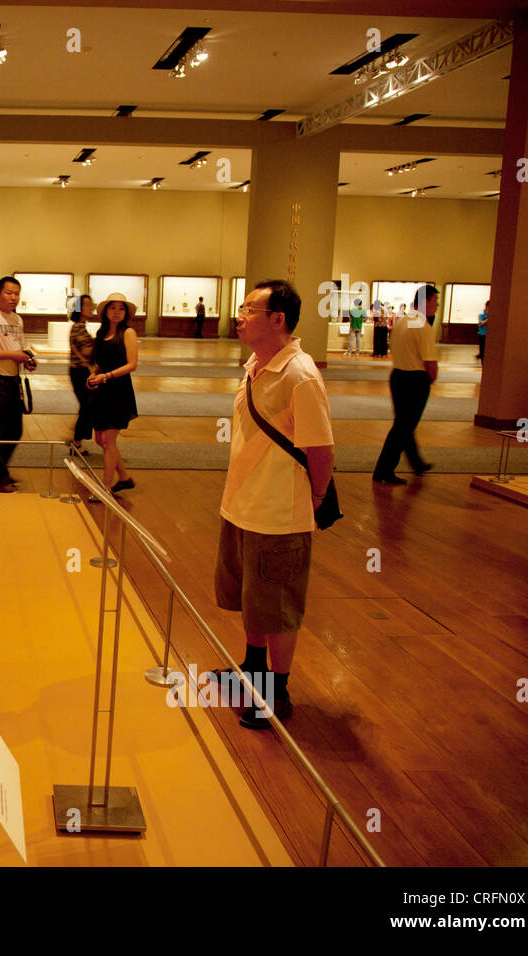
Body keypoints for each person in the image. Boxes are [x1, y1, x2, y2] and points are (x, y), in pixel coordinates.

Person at [208, 279, 335, 729]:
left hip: (280, 515)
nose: (239, 317)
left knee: (277, 605)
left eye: (249, 310)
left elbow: (321, 451)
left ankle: (276, 694)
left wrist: (315, 499)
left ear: (277, 319)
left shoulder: (300, 375)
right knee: (252, 598)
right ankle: (253, 671)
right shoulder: (255, 366)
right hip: (243, 505)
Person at [373, 284, 439, 484]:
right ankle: (383, 470)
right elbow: (430, 362)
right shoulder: (423, 327)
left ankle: (416, 463)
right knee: (403, 427)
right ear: (425, 301)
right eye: (435, 301)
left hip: (398, 376)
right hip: (415, 380)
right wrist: (430, 379)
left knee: (404, 424)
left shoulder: (402, 321)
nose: (437, 305)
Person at [0, 276, 36, 493]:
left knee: (15, 429)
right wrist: (14, 355)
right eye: (9, 293)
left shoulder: (17, 320)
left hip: (13, 381)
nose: (13, 297)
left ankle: (0, 470)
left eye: (16, 293)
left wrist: (26, 360)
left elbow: (19, 348)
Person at [86, 292, 139, 494]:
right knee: (100, 440)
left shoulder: (128, 333)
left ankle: (105, 488)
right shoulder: (101, 333)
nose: (116, 312)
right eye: (112, 307)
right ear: (105, 310)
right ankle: (124, 477)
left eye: (121, 308)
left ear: (126, 312)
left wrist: (106, 376)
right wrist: (93, 374)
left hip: (119, 391)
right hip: (102, 390)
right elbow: (98, 362)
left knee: (109, 441)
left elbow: (132, 365)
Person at [68, 293, 95, 450]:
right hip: (80, 372)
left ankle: (78, 439)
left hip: (81, 371)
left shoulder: (81, 326)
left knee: (87, 406)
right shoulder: (78, 327)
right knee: (86, 406)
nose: (91, 308)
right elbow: (86, 351)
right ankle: (76, 442)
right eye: (87, 305)